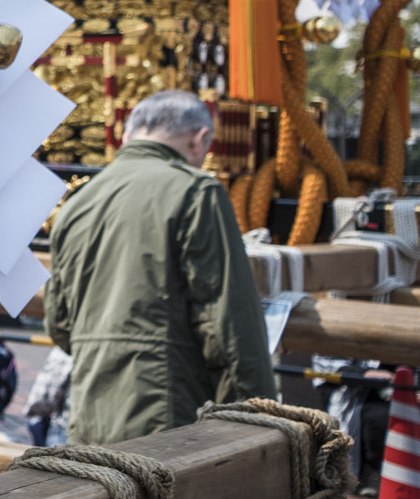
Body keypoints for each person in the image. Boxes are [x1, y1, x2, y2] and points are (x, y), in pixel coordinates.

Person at [46, 88, 275, 445]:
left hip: (89, 413)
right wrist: (257, 414)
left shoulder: (78, 202)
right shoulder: (196, 192)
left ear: (129, 133)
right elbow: (228, 322)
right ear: (199, 139)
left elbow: (59, 323)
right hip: (169, 411)